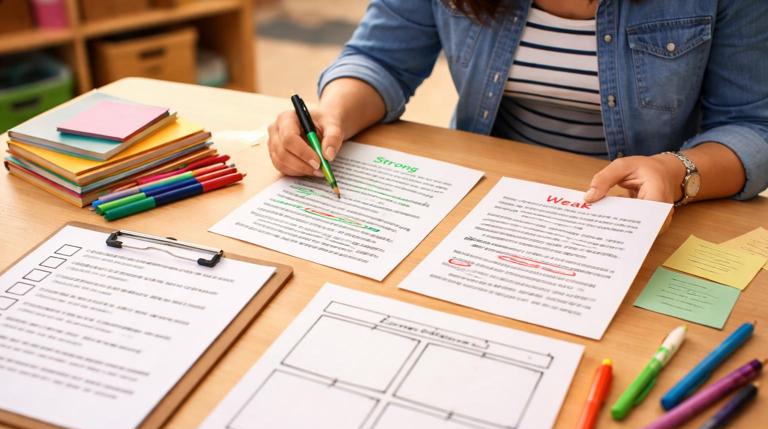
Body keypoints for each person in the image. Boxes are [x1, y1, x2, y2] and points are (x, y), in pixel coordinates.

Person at [267, 0, 768, 207]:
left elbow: (751, 124)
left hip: (644, 209)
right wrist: (331, 113)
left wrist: (679, 172)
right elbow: (381, 59)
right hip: (490, 197)